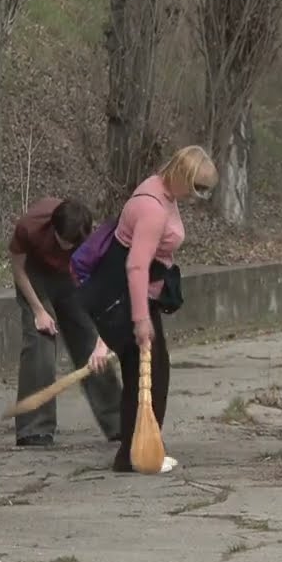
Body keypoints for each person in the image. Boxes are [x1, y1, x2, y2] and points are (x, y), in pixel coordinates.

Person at [78, 145, 218, 473]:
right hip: (132, 300)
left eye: (206, 190)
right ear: (183, 177)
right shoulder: (153, 209)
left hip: (139, 298)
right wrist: (141, 320)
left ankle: (139, 449)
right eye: (199, 187)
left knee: (147, 377)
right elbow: (136, 267)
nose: (200, 196)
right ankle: (136, 454)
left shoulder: (158, 189)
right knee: (149, 378)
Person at [9, 196, 122, 448]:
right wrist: (39, 310)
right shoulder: (30, 227)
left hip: (72, 279)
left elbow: (102, 289)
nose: (68, 246)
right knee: (41, 345)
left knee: (90, 344)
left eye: (74, 244)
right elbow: (18, 269)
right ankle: (34, 428)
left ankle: (118, 422)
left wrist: (103, 338)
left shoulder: (92, 243)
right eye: (64, 242)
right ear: (53, 229)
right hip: (34, 277)